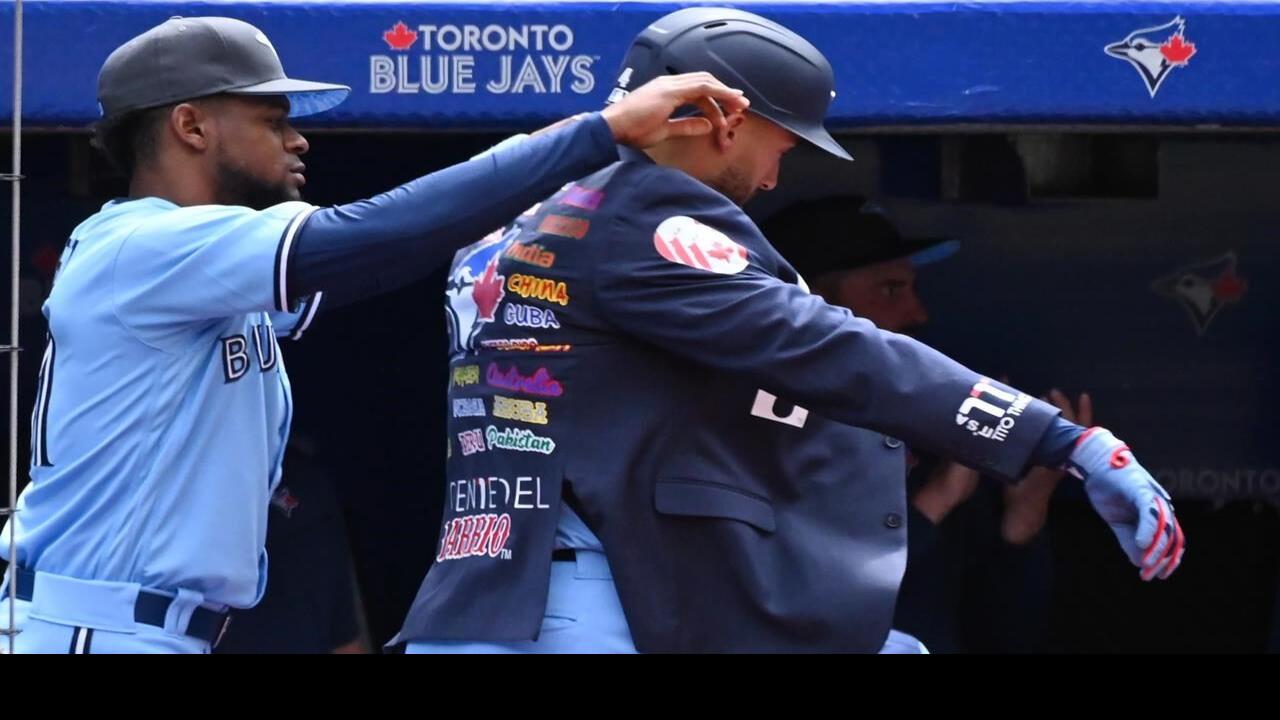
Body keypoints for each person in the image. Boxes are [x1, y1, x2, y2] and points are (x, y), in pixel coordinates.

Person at [393, 7, 1184, 653]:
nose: (773, 178)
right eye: (782, 145)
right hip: (605, 610)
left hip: (486, 604)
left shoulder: (522, 201)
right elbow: (827, 349)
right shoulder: (646, 209)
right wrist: (1057, 439)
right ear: (720, 117)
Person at [0, 15, 749, 653]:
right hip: (90, 626)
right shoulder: (145, 248)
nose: (299, 142)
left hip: (141, 626)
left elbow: (398, 247)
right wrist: (602, 131)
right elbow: (381, 232)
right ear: (191, 125)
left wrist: (582, 147)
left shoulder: (206, 265)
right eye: (273, 120)